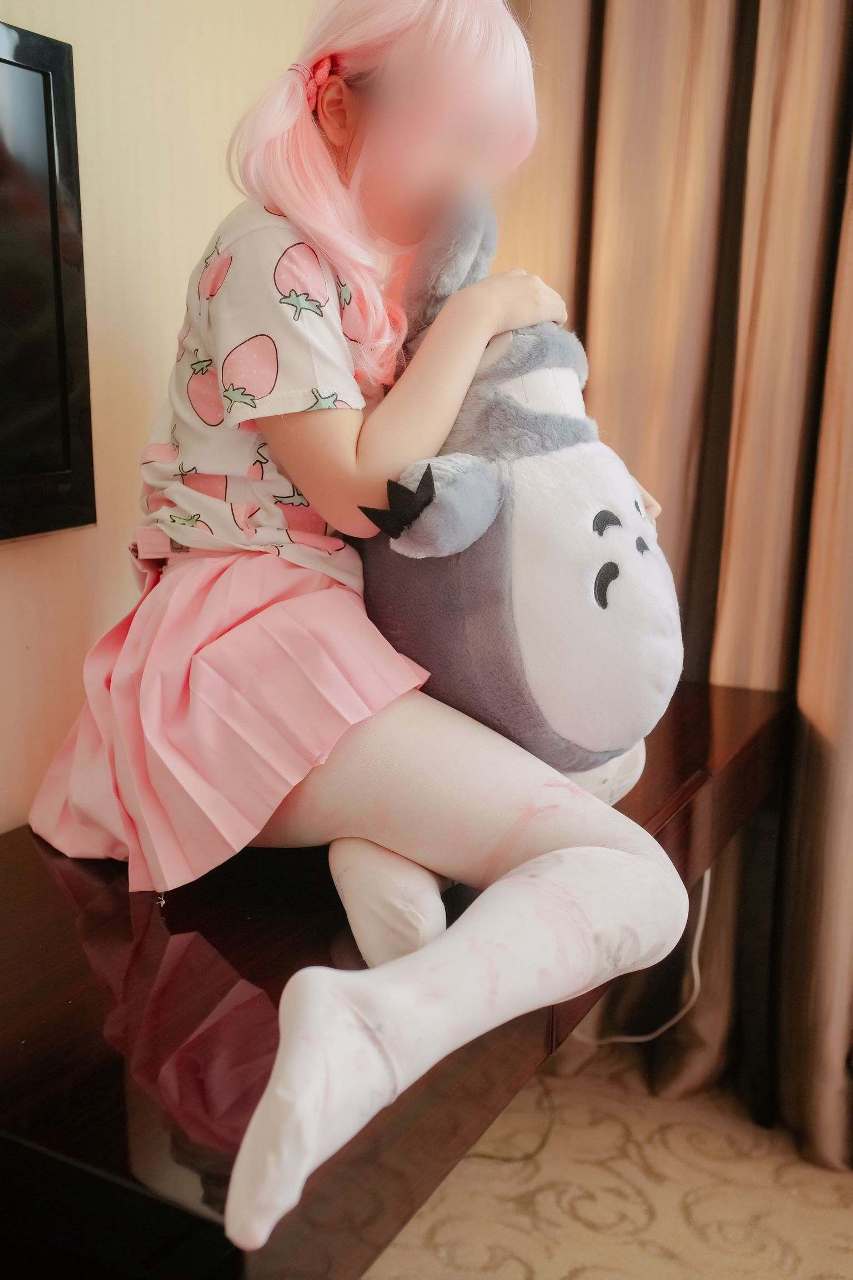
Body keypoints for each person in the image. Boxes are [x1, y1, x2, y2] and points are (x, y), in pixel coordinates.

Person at [29, 0, 688, 1250]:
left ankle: (379, 856)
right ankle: (377, 1023)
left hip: (308, 643)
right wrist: (480, 315)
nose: (468, 181)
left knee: (606, 762)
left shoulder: (348, 282)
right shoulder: (267, 253)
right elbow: (364, 489)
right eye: (453, 138)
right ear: (336, 102)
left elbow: (443, 480)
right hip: (243, 656)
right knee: (634, 882)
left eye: (487, 152)